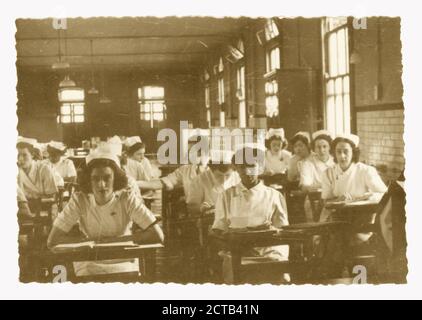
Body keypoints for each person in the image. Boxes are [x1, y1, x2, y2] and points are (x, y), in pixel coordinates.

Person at [47, 147, 164, 278]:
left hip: (123, 259)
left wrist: (115, 241)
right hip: (89, 262)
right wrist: (87, 242)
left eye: (107, 178)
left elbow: (157, 235)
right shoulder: (79, 199)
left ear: (116, 179)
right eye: (95, 179)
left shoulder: (127, 198)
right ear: (88, 181)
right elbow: (52, 240)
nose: (101, 185)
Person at [211, 144, 290, 284]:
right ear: (236, 168)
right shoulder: (226, 196)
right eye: (242, 167)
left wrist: (266, 235)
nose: (247, 171)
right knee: (235, 272)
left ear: (260, 167)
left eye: (252, 166)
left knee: (277, 272)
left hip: (269, 250)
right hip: (236, 252)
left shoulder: (274, 195)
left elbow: (283, 230)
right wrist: (234, 241)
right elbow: (218, 230)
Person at [186, 149, 240, 215]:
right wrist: (202, 208)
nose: (223, 179)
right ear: (211, 169)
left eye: (227, 175)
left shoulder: (238, 177)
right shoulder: (199, 180)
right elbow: (191, 207)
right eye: (219, 175)